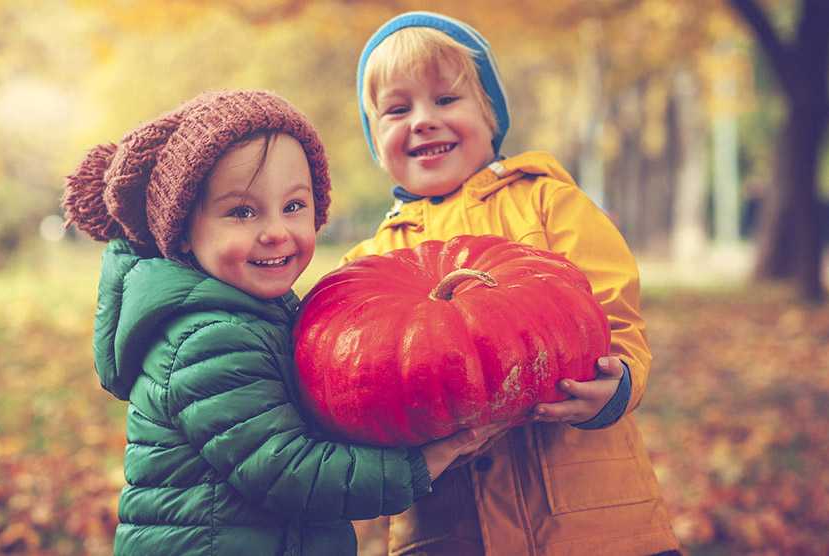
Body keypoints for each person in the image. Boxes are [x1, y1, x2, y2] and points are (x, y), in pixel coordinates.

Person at [62, 90, 507, 556]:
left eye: (293, 206)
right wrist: (422, 461)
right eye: (242, 211)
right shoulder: (207, 338)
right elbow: (288, 472)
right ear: (184, 233)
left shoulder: (253, 311)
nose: (275, 230)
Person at [346, 12, 682, 556]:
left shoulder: (547, 201)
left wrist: (618, 381)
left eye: (446, 100)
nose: (424, 120)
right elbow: (358, 375)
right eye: (398, 110)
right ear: (376, 139)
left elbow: (612, 309)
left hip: (584, 511)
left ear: (491, 116)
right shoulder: (374, 261)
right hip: (448, 525)